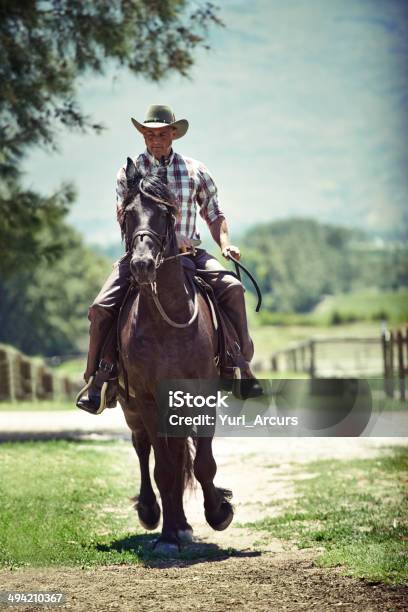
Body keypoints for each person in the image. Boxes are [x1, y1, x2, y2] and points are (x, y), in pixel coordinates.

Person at [77, 105, 262, 414]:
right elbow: (124, 217)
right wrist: (131, 254)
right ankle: (99, 378)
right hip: (142, 256)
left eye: (161, 134)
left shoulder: (195, 170)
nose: (155, 139)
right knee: (100, 307)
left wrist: (226, 244)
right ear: (143, 135)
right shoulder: (130, 172)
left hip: (189, 254)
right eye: (149, 134)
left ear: (173, 134)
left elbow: (214, 213)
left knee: (233, 289)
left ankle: (239, 365)